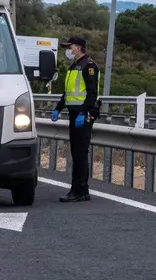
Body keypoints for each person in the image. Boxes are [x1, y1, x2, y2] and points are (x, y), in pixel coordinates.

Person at [51, 36, 101, 203]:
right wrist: (58, 108)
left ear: (78, 47)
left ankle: (78, 190)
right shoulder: (74, 67)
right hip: (74, 113)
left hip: (83, 115)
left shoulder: (89, 66)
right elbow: (68, 93)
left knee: (80, 153)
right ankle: (82, 190)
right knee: (77, 152)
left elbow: (92, 93)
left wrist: (84, 112)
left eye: (69, 46)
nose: (67, 50)